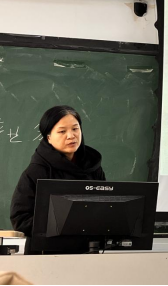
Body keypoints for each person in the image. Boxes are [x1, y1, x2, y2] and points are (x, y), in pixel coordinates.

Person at [10, 106, 106, 253]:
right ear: (48, 137)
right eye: (62, 131)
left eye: (75, 129)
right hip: (46, 255)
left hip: (88, 252)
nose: (71, 136)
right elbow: (20, 218)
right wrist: (64, 224)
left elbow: (104, 209)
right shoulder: (36, 171)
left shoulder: (93, 167)